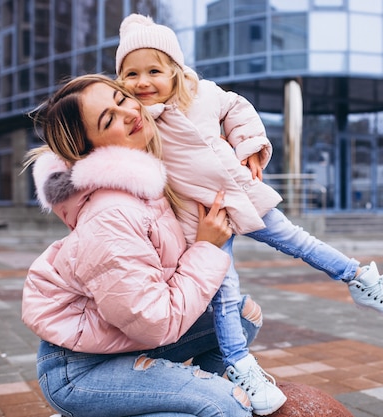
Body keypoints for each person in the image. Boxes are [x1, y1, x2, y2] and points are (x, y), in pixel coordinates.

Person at [114, 14, 383, 416]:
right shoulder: (136, 122)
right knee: (225, 293)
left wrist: (250, 144)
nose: (142, 81)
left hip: (242, 193)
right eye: (131, 73)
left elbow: (238, 108)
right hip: (202, 220)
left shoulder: (203, 94)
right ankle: (240, 366)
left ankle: (360, 278)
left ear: (175, 71)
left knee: (297, 239)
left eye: (153, 70)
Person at [21, 74, 262, 417]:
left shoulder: (148, 182)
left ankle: (165, 397)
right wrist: (207, 249)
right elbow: (155, 321)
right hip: (80, 370)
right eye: (109, 119)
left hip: (119, 339)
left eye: (121, 100)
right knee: (226, 405)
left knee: (242, 316)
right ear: (90, 149)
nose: (130, 113)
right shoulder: (112, 214)